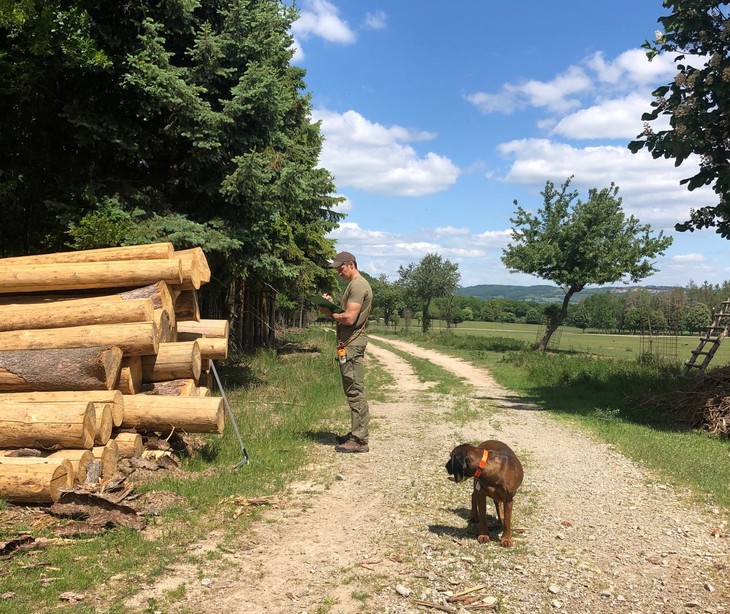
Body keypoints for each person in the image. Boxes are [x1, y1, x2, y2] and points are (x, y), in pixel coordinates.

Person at [319, 251, 373, 453]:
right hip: (349, 344)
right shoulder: (353, 285)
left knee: (355, 390)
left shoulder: (358, 286)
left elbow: (349, 318)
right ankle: (356, 433)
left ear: (351, 264)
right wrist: (331, 305)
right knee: (352, 388)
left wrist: (330, 312)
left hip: (352, 344)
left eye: (340, 268)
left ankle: (359, 440)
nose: (338, 272)